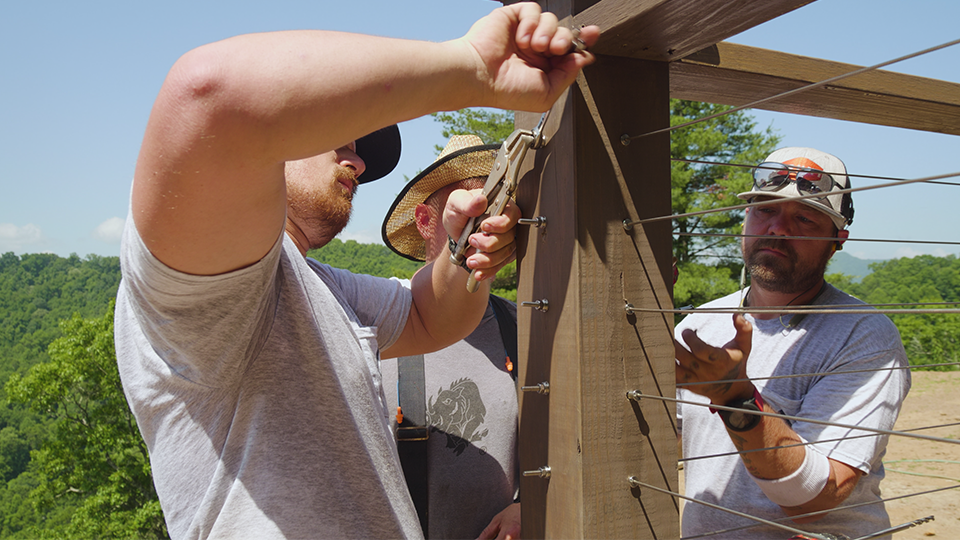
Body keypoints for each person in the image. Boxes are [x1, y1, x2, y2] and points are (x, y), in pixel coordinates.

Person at [113, 5, 599, 539]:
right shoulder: (214, 284)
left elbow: (427, 317)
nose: (359, 163)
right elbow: (209, 95)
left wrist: (460, 249)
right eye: (342, 137)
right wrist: (469, 68)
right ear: (285, 124)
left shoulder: (314, 284)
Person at [674, 147, 911, 540]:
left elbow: (811, 502)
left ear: (838, 240)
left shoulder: (864, 336)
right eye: (764, 210)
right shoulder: (702, 322)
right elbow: (654, 433)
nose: (777, 228)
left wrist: (736, 398)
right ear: (745, 219)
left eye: (803, 217)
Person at [381, 135, 520, 540]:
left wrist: (526, 506)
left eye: (496, 207)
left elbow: (558, 447)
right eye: (468, 210)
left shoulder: (523, 328)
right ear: (425, 221)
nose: (488, 226)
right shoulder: (378, 322)